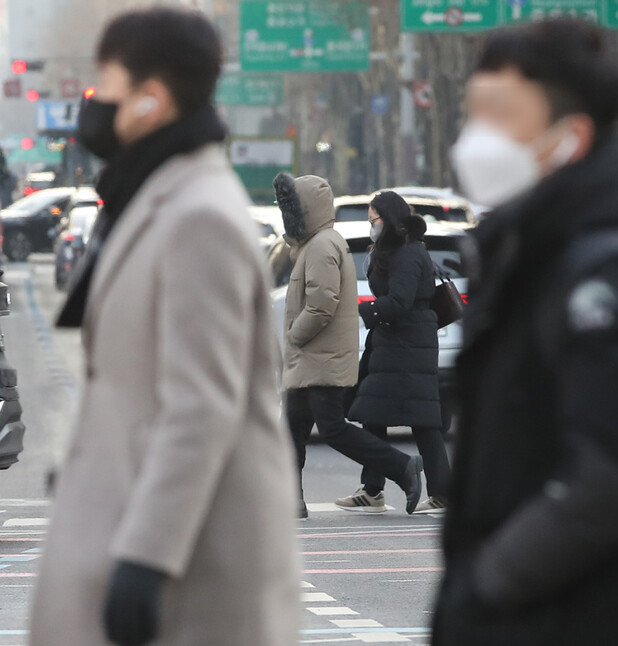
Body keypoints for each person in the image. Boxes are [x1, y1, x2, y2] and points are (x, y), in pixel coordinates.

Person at [31, 8, 300, 646]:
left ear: (152, 100)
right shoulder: (158, 195)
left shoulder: (197, 215)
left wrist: (146, 559)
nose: (92, 101)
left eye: (106, 82)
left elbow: (201, 405)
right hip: (134, 532)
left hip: (185, 573)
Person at [433, 19, 618, 646]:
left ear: (570, 136)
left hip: (582, 617)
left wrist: (488, 587)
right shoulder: (535, 248)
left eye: (501, 115)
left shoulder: (608, 273)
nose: (477, 138)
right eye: (473, 112)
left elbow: (613, 476)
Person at [274, 174, 425, 518]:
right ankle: (289, 500)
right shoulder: (316, 244)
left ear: (305, 210)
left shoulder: (322, 246)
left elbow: (321, 305)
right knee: (293, 429)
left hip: (319, 358)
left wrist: (294, 337)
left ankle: (403, 466)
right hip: (313, 359)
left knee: (333, 429)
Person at [338, 191, 451, 515]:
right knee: (374, 412)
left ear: (389, 218)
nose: (371, 225)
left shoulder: (408, 252)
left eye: (373, 219)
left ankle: (440, 493)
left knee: (424, 421)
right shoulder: (394, 250)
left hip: (408, 345)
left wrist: (363, 310)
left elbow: (400, 301)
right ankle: (372, 489)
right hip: (394, 344)